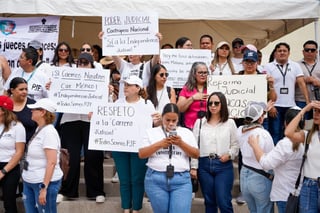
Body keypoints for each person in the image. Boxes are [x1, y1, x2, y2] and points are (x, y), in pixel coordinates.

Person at [57, 53, 105, 203]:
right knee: (71, 157)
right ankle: (67, 190)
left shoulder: (100, 81)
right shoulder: (69, 78)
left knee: (93, 156)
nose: (83, 66)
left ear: (92, 65)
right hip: (70, 120)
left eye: (86, 63)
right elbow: (58, 96)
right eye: (80, 63)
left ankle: (96, 191)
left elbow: (105, 103)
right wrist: (52, 87)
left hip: (91, 122)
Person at [139, 103, 199, 213]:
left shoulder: (186, 133)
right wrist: (160, 144)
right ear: (162, 117)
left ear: (178, 119)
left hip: (181, 180)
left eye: (174, 120)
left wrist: (181, 143)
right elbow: (142, 154)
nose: (170, 123)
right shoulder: (151, 132)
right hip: (155, 179)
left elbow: (196, 154)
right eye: (167, 120)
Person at [113, 75, 160, 213]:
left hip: (139, 147)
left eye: (129, 84)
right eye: (125, 84)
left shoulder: (147, 104)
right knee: (124, 179)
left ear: (138, 88)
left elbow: (155, 124)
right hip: (120, 146)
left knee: (137, 179)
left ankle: (137, 209)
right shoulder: (118, 104)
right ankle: (126, 208)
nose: (125, 87)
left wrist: (158, 119)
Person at [248, 107, 304, 213]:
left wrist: (255, 145)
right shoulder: (308, 141)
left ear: (285, 123)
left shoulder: (285, 144)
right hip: (302, 193)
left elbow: (266, 163)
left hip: (284, 195)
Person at [191, 92, 239, 213]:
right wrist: (194, 167)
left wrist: (229, 155)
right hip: (204, 164)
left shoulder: (230, 123)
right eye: (210, 103)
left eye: (216, 103)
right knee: (209, 201)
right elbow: (194, 146)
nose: (213, 106)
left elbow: (235, 145)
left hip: (223, 164)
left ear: (222, 104)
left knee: (223, 201)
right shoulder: (200, 123)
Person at [264, 42, 310, 144]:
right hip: (275, 106)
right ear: (275, 53)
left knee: (290, 132)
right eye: (279, 51)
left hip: (290, 105)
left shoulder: (295, 66)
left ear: (289, 53)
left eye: (284, 51)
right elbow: (265, 87)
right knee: (275, 132)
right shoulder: (268, 67)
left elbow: (302, 84)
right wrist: (270, 106)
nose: (282, 53)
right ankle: (275, 156)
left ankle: (289, 156)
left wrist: (307, 102)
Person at [22, 98, 63, 213]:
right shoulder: (39, 128)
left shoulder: (49, 132)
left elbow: (52, 162)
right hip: (30, 179)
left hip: (43, 182)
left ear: (43, 112)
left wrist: (44, 188)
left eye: (34, 109)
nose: (31, 111)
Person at [237, 102, 274, 213]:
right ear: (260, 118)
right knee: (264, 209)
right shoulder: (263, 134)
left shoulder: (239, 130)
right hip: (260, 176)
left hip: (244, 175)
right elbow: (271, 158)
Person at [284, 101, 320, 213]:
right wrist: (305, 110)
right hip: (309, 186)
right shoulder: (308, 132)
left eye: (319, 112)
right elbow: (288, 132)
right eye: (315, 111)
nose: (316, 114)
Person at [0, 95, 25, 213]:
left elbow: (19, 152)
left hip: (10, 167)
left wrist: (3, 171)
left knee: (9, 202)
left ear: (3, 111)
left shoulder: (17, 127)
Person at [177, 62, 209, 129]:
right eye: (200, 72)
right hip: (190, 126)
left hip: (208, 126)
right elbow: (179, 108)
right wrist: (192, 98)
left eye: (205, 72)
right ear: (194, 74)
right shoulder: (187, 88)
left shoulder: (212, 87)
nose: (203, 75)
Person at [296, 40, 320, 120]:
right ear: (303, 52)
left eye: (312, 50)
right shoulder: (296, 65)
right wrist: (304, 80)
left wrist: (318, 82)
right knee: (302, 125)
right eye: (307, 50)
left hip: (318, 100)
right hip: (301, 100)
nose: (309, 52)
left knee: (316, 126)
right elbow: (290, 83)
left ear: (316, 52)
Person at [8, 77, 37, 142]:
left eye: (26, 89)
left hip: (28, 145)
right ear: (12, 90)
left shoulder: (33, 105)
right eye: (21, 89)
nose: (24, 92)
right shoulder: (4, 104)